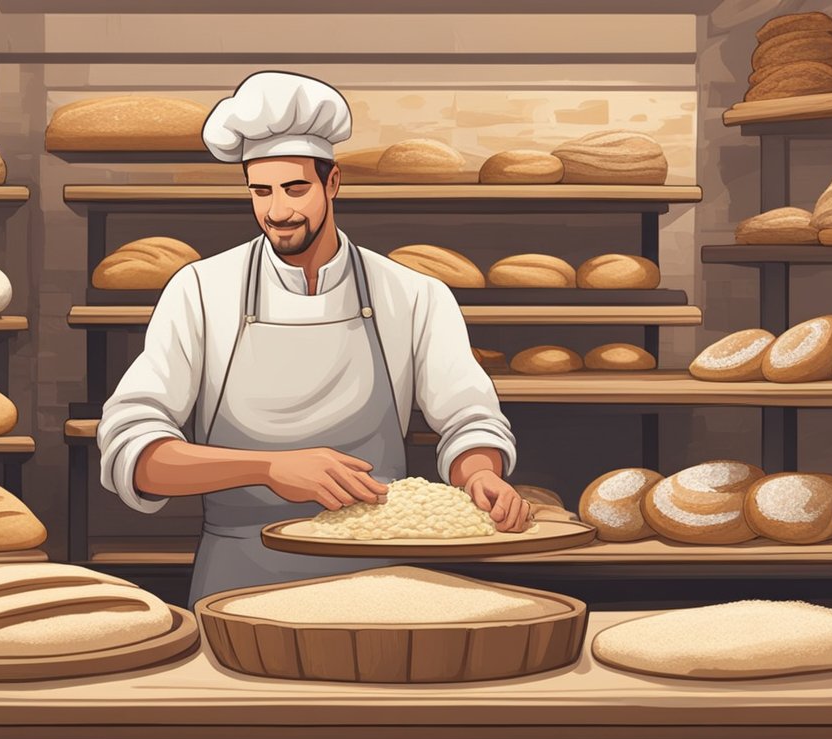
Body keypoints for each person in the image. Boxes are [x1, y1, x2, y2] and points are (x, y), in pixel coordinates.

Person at [97, 71, 527, 605]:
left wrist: (480, 474)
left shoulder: (413, 294)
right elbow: (135, 451)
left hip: (379, 572)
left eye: (295, 188)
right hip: (238, 572)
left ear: (333, 183)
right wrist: (268, 468)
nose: (277, 211)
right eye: (261, 191)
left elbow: (468, 419)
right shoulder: (202, 290)